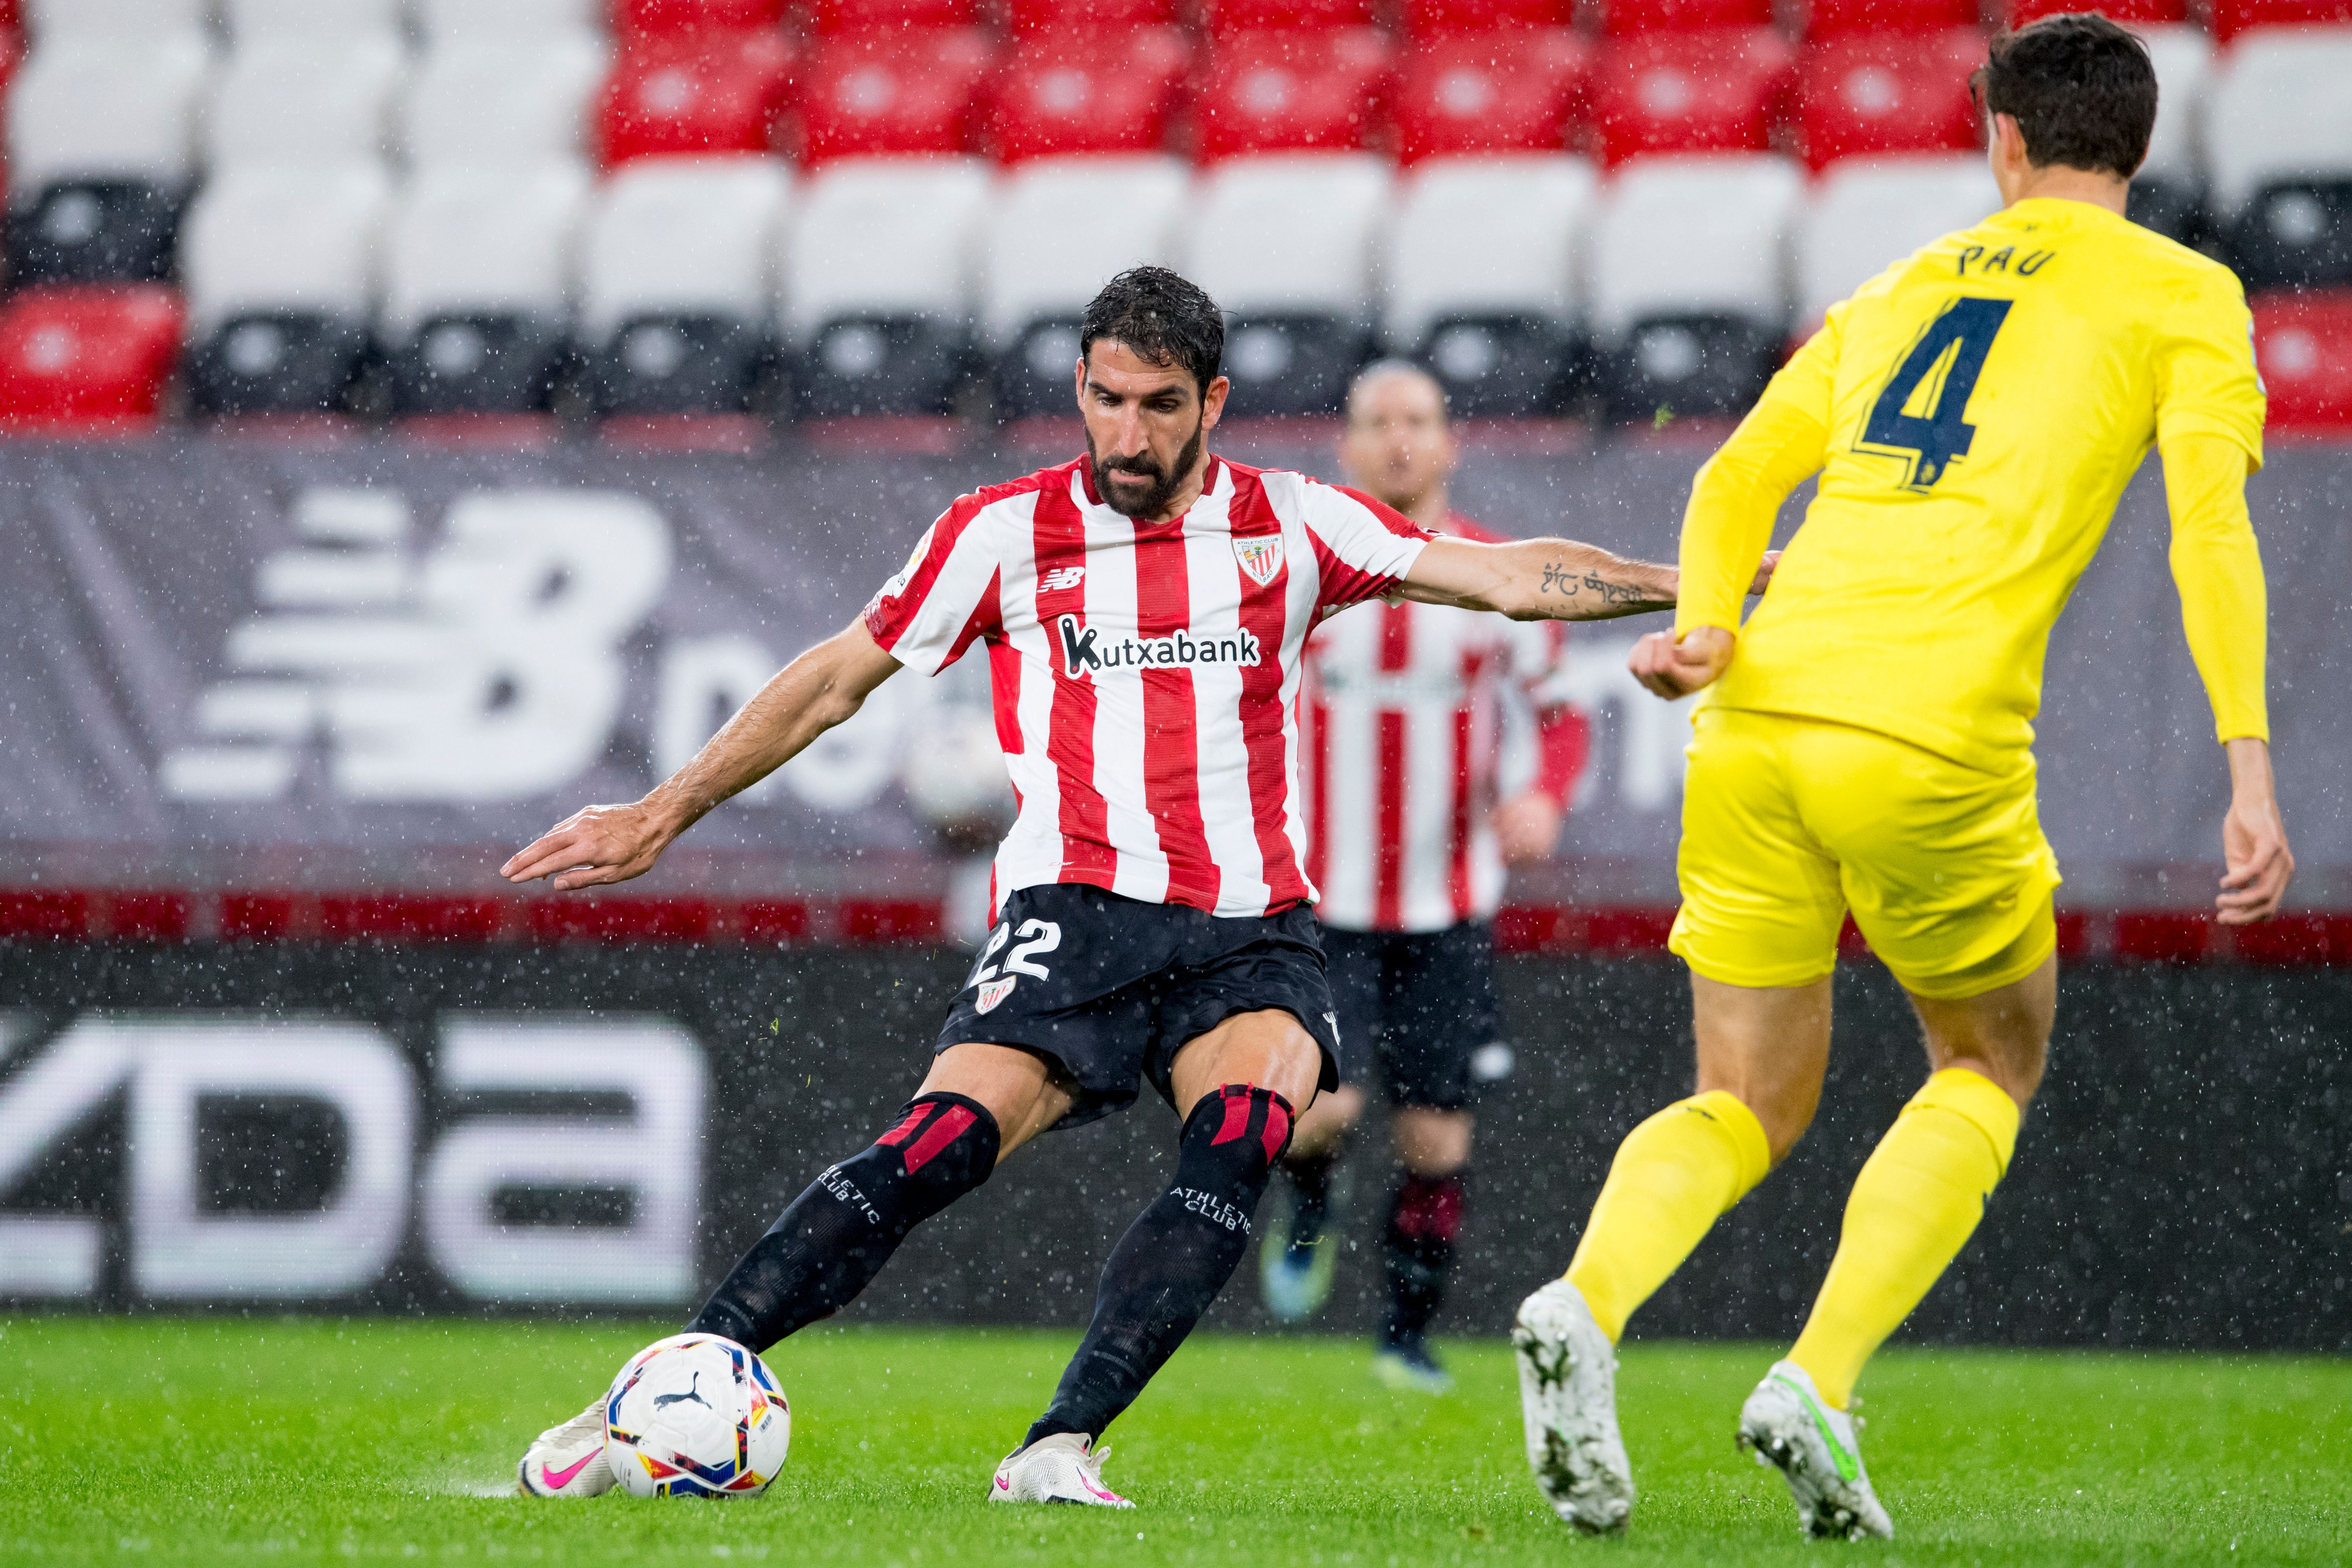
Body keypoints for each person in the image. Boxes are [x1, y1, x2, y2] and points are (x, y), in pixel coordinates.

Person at [502, 267, 1754, 1508]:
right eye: (1106, 401)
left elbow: (1511, 577)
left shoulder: (1295, 523)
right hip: (1075, 913)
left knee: (1244, 1136)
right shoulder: (1003, 533)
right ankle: (656, 1387)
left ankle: (1061, 1446)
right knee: (937, 1146)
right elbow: (836, 678)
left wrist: (1713, 590)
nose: (1128, 435)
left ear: (1213, 402)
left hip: (1248, 928)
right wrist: (662, 812)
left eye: (1159, 406)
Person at [1511, 15, 2293, 1542]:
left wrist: (1710, 626)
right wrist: (2248, 767)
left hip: (1755, 713)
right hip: (1930, 737)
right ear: (2141, 147)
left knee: (1739, 1097)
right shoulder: (2189, 294)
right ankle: (1817, 1377)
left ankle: (1585, 1301)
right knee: (1987, 1063)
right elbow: (2212, 530)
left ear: (2001, 139)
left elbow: (1737, 478)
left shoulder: (1901, 280)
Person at [1257, 361, 1588, 1394]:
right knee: (1322, 1112)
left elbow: (1562, 716)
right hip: (1325, 899)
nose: (1399, 441)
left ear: (1450, 444)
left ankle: (1406, 1335)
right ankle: (1308, 1197)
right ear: (1345, 449)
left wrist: (1546, 798)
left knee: (1436, 1135)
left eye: (1418, 422)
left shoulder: (1496, 571)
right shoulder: (1304, 571)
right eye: (1377, 423)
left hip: (1449, 904)